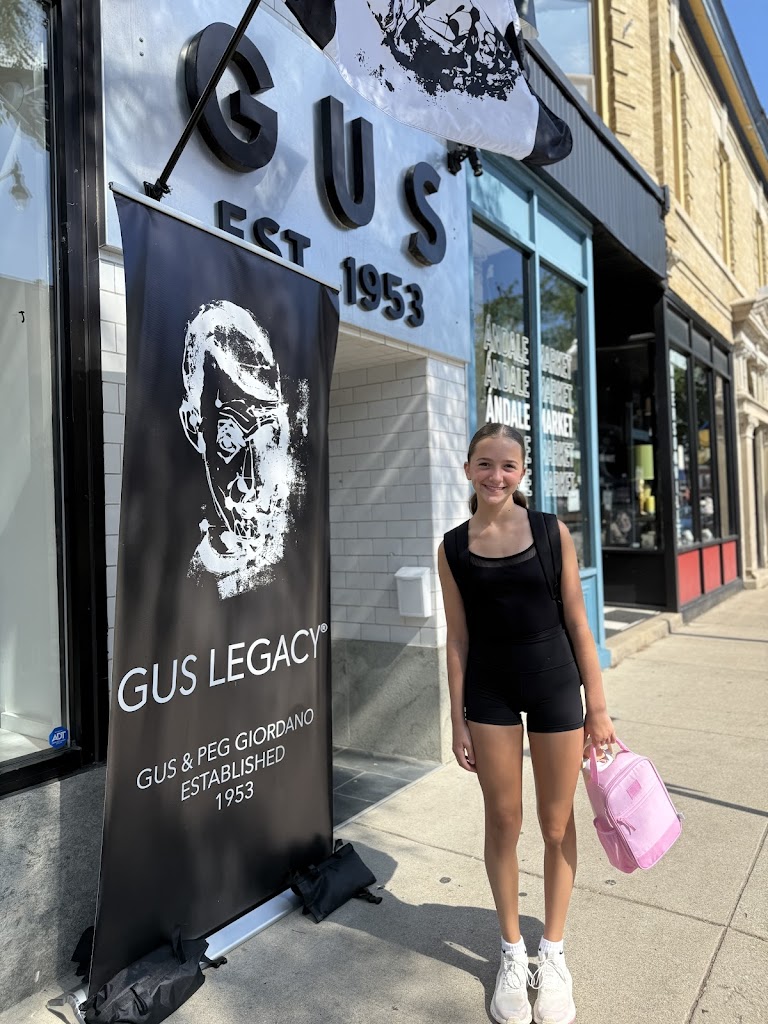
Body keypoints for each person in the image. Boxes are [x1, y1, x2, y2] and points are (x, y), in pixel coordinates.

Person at [437, 422, 616, 1024]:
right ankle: (513, 952)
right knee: (504, 819)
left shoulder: (549, 531)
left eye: (508, 465)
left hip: (554, 683)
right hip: (489, 690)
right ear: (468, 469)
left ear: (523, 472)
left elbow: (578, 621)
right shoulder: (453, 548)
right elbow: (456, 639)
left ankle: (553, 954)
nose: (496, 476)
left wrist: (598, 707)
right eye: (485, 464)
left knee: (556, 821)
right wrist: (458, 717)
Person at [179, 300, 296, 600]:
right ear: (193, 425)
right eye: (229, 441)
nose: (251, 483)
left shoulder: (288, 555)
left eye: (268, 443)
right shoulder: (190, 578)